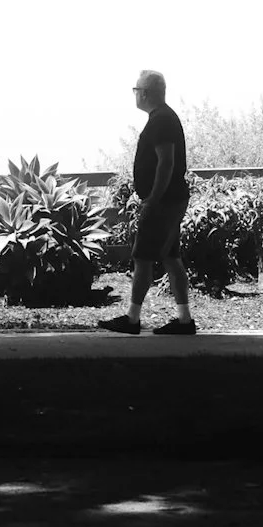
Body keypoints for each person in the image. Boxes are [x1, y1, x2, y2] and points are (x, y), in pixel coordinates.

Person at [100, 70, 198, 336]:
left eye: (136, 90)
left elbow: (166, 162)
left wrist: (153, 198)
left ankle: (132, 319)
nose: (135, 95)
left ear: (145, 93)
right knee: (171, 257)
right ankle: (184, 320)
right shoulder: (163, 118)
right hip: (171, 199)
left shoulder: (162, 121)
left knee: (142, 257)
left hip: (163, 202)